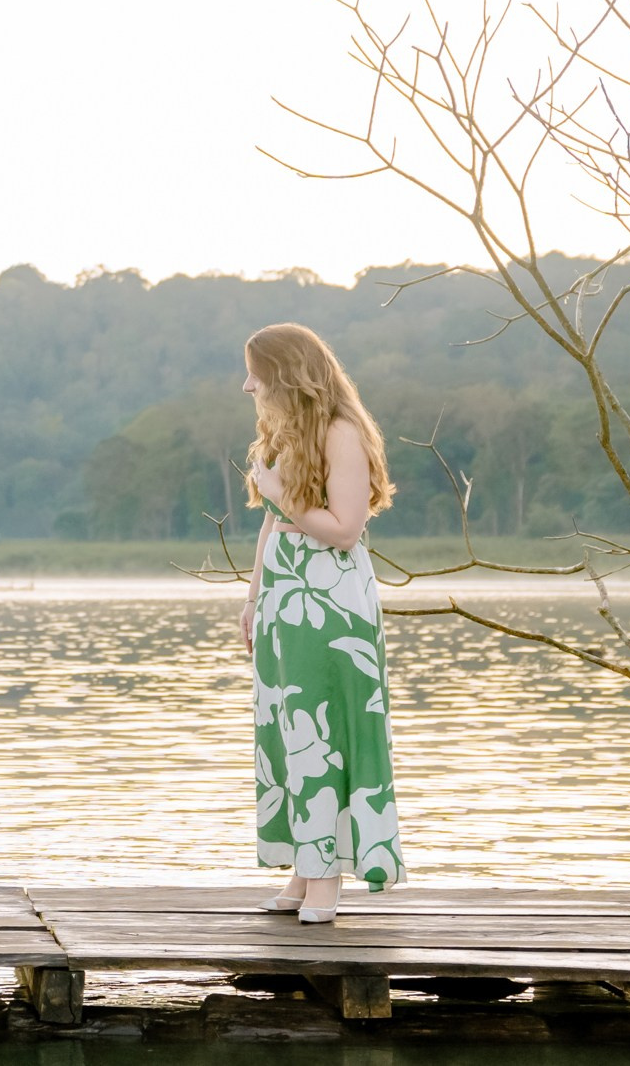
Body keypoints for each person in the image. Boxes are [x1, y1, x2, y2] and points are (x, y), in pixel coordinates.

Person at [240, 323, 404, 923]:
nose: (247, 385)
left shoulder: (341, 433)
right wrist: (254, 599)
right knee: (290, 731)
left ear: (286, 374)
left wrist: (279, 494)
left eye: (255, 373)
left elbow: (344, 530)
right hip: (285, 597)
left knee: (325, 731)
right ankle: (305, 868)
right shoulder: (284, 436)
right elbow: (272, 523)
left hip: (331, 600)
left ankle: (327, 876)